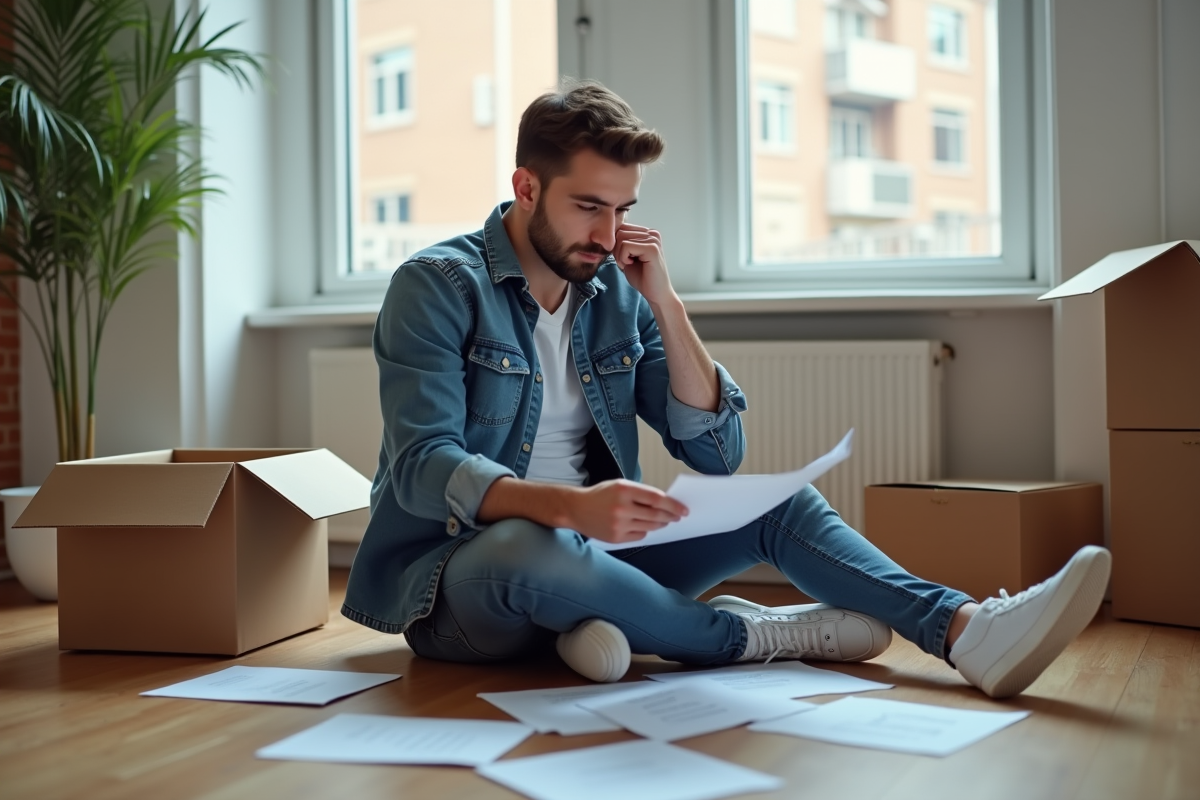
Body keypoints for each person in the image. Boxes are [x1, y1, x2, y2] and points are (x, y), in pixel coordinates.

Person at [342, 81, 1111, 699]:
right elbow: (422, 466)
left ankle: (966, 630)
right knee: (530, 548)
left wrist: (666, 306)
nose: (609, 236)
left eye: (623, 210)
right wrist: (566, 508)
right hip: (465, 580)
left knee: (777, 499)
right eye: (588, 206)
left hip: (600, 553)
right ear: (526, 187)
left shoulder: (613, 291)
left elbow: (716, 451)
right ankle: (751, 636)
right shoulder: (438, 286)